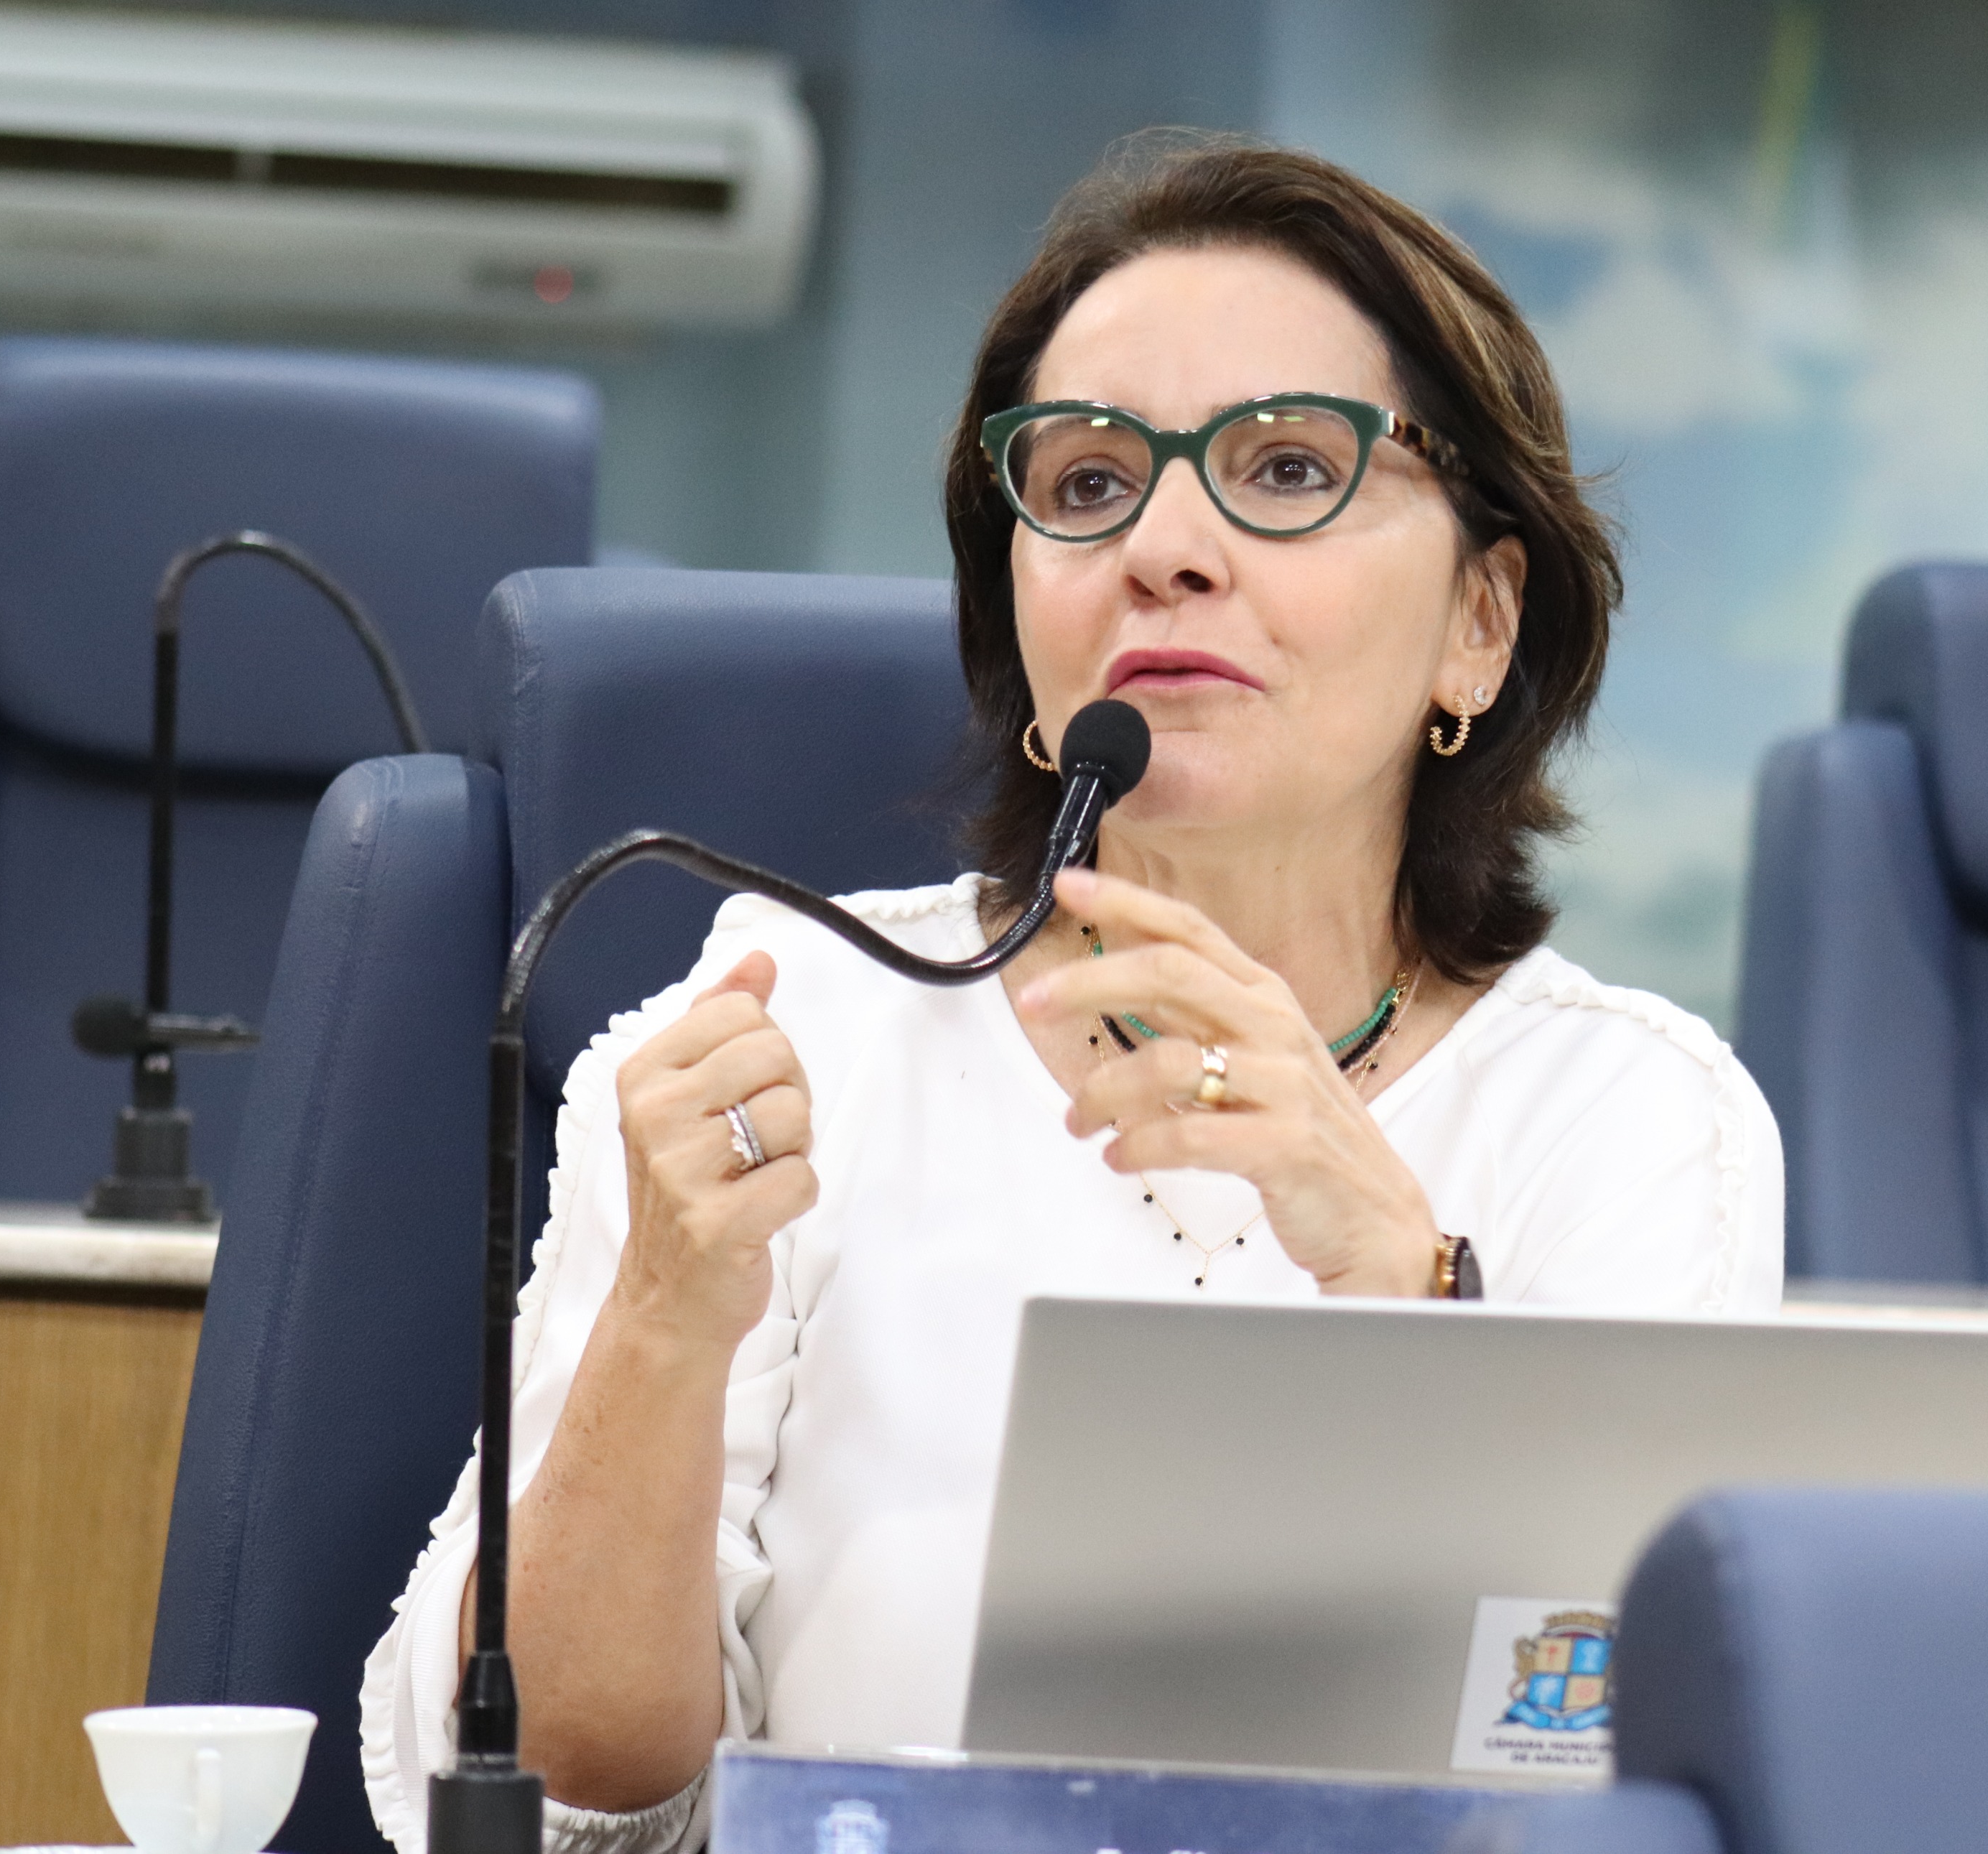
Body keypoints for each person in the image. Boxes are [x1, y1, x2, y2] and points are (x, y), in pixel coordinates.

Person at [362, 135, 1783, 1854]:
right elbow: (564, 1799)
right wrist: (666, 1324)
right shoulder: (786, 1031)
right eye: (1091, 481)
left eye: (1284, 466)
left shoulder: (1627, 1119)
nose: (1163, 547)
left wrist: (1407, 1284)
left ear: (1479, 622)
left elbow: (1619, 1785)